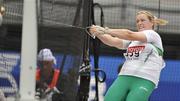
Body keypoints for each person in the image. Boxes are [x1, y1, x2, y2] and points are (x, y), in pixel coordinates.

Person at [89, 10, 167, 101]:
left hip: (145, 79)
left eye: (143, 20)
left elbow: (129, 34)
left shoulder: (153, 35)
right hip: (124, 76)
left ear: (152, 22)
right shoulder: (133, 41)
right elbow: (113, 41)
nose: (139, 23)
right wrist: (97, 32)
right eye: (137, 21)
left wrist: (106, 30)